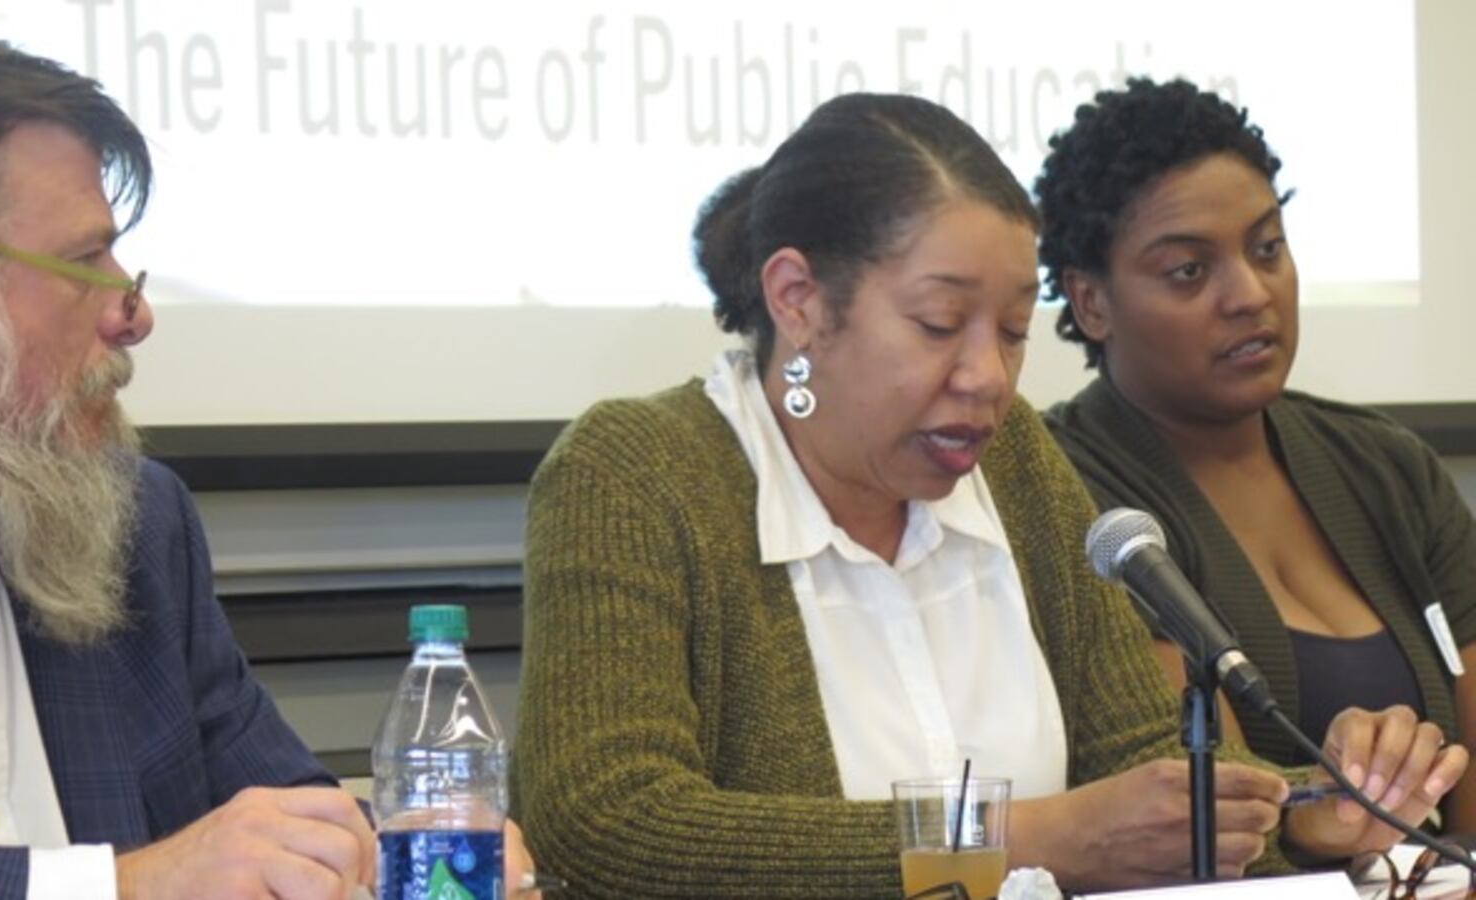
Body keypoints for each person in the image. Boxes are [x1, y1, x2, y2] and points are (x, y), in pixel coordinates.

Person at [512, 91, 1465, 898]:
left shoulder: (1015, 467)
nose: (987, 377)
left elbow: (1138, 762)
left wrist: (1314, 809)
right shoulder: (635, 473)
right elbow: (603, 821)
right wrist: (1029, 842)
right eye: (938, 324)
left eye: (1011, 333)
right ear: (799, 300)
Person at [0, 35, 532, 899]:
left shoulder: (135, 523)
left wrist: (411, 851)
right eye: (81, 264)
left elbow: (281, 808)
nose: (134, 313)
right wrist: (127, 885)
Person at [1036, 77, 1476, 831]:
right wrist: (1324, 812)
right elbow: (1206, 796)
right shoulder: (1071, 487)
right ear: (1091, 302)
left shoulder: (1389, 466)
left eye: (1267, 248)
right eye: (1189, 271)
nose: (1250, 293)